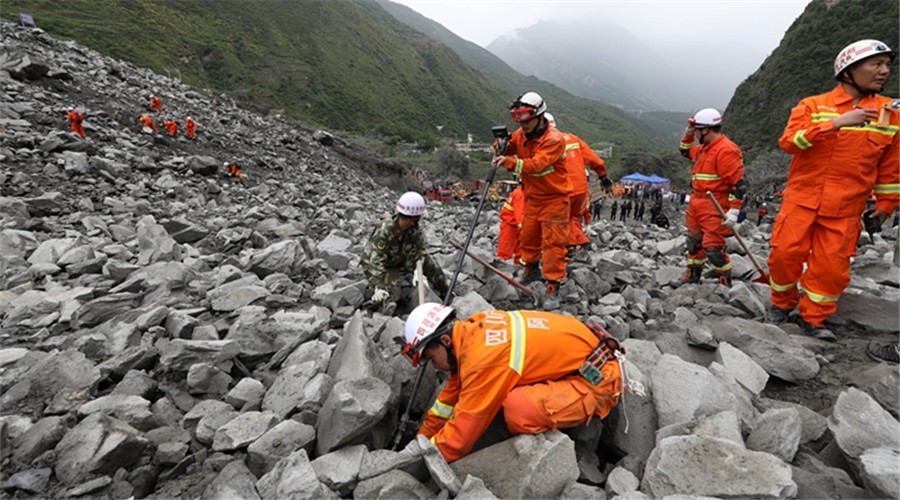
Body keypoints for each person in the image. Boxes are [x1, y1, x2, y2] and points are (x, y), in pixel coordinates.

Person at [766, 39, 898, 340]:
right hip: (802, 200)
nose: (884, 71)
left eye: (887, 65)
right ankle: (781, 304)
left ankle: (814, 318)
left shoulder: (890, 113)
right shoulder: (812, 106)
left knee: (831, 268)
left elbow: (891, 168)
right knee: (784, 255)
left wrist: (886, 206)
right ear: (849, 70)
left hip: (846, 208)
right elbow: (789, 142)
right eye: (876, 64)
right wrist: (836, 123)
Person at [401, 302, 622, 463]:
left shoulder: (483, 361)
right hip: (585, 351)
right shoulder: (473, 330)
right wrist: (421, 438)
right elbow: (450, 398)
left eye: (431, 359)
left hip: (600, 378)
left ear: (445, 341)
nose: (435, 367)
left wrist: (423, 457)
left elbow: (460, 440)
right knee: (499, 390)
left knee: (518, 409)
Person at [492, 92, 571, 309]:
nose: (523, 125)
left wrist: (509, 162)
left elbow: (536, 165)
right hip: (533, 198)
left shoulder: (553, 140)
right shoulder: (521, 134)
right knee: (528, 237)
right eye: (519, 120)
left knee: (554, 244)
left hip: (555, 199)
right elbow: (512, 146)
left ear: (539, 115)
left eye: (526, 120)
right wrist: (500, 145)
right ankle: (531, 269)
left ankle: (553, 284)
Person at [675, 108, 746, 287]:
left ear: (706, 129)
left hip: (715, 204)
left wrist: (734, 211)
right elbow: (684, 150)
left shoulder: (726, 150)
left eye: (697, 130)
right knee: (693, 241)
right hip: (696, 202)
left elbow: (737, 185)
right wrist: (689, 133)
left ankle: (724, 278)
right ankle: (693, 273)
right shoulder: (702, 149)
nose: (696, 133)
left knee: (713, 247)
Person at [361, 192, 449, 315]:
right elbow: (375, 261)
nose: (418, 221)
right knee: (393, 294)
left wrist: (419, 272)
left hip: (401, 260)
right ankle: (377, 305)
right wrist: (379, 285)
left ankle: (446, 292)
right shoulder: (385, 230)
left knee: (430, 261)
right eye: (417, 218)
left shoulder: (414, 229)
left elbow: (419, 251)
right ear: (408, 217)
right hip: (384, 266)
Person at [544, 113, 612, 259]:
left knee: (556, 221)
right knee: (569, 219)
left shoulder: (542, 144)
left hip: (562, 191)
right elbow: (595, 159)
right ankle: (576, 245)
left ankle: (568, 250)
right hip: (580, 191)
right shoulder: (572, 139)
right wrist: (603, 175)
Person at [496, 181, 525, 264]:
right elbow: (520, 214)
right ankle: (501, 270)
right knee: (504, 252)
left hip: (513, 225)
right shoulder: (520, 195)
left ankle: (517, 269)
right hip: (510, 225)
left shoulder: (520, 193)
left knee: (520, 252)